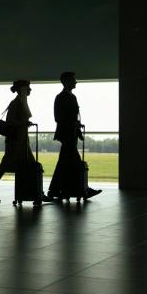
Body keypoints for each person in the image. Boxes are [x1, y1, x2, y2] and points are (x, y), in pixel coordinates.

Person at [47, 71, 101, 200]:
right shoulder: (61, 97)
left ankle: (55, 190)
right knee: (75, 163)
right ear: (66, 82)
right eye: (73, 80)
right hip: (67, 135)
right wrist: (74, 125)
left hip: (71, 135)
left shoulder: (71, 97)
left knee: (64, 162)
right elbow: (58, 118)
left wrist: (77, 127)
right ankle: (83, 189)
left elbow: (72, 117)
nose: (75, 82)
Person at [0, 79, 37, 203]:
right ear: (23, 89)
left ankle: (35, 191)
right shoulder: (16, 103)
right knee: (26, 165)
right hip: (15, 141)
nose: (30, 89)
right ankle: (35, 192)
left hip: (21, 141)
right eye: (28, 87)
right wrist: (24, 123)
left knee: (25, 165)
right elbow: (11, 122)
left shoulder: (21, 102)